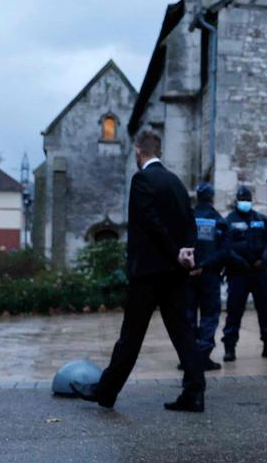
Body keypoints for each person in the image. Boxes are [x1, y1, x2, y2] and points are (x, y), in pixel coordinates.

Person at [72, 130, 206, 413]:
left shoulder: (142, 179)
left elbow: (151, 223)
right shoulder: (176, 182)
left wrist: (173, 251)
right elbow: (190, 224)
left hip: (148, 274)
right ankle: (194, 393)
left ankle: (105, 392)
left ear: (137, 152)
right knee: (183, 334)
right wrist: (187, 253)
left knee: (131, 336)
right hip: (175, 274)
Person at [221, 185, 267, 362]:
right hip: (238, 274)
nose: (245, 203)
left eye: (248, 200)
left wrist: (263, 259)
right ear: (237, 201)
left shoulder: (260, 219)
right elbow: (225, 246)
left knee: (266, 310)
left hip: (259, 273)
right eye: (242, 200)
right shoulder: (228, 221)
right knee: (234, 311)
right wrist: (240, 262)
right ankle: (229, 348)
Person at [185, 182, 229, 371]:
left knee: (188, 316)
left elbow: (178, 243)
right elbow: (225, 249)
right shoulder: (218, 219)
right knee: (210, 315)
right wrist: (205, 266)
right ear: (212, 197)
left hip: (188, 274)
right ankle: (203, 355)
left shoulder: (187, 218)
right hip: (209, 275)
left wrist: (192, 265)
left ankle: (188, 356)